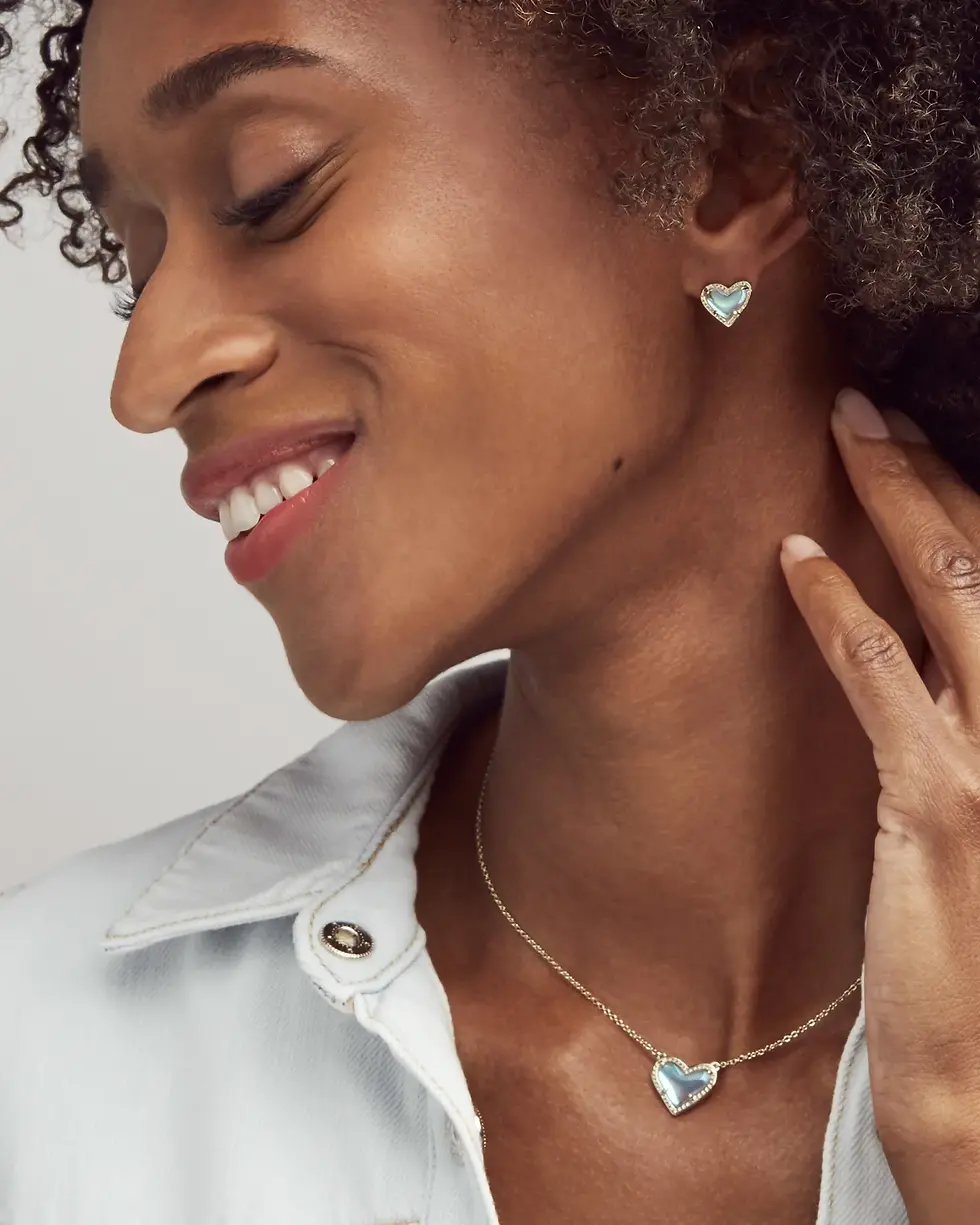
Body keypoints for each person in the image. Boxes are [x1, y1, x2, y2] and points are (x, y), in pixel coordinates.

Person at [1, 1, 979, 1222]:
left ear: (730, 158)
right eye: (140, 263)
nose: (146, 380)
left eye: (270, 190)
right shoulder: (40, 1065)